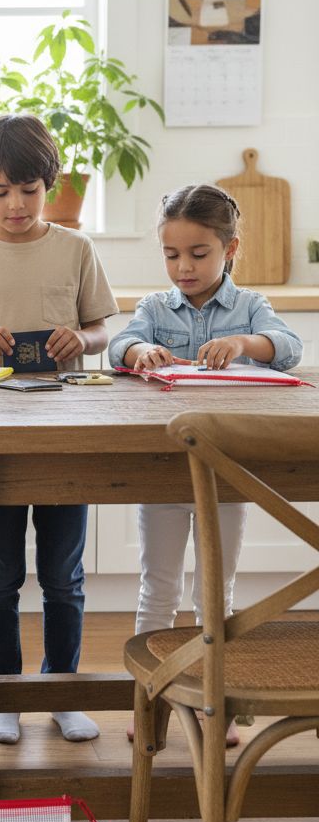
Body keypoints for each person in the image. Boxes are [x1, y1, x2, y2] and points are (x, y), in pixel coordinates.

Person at [0, 113, 118, 744]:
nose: (16, 204)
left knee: (64, 576)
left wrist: (81, 337)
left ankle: (61, 687)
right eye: (1, 192)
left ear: (50, 186)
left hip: (64, 430)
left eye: (29, 190)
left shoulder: (76, 248)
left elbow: (103, 329)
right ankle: (4, 691)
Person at [107, 183, 304, 744]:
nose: (183, 267)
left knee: (217, 590)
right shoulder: (153, 307)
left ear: (230, 249)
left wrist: (245, 344)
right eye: (172, 255)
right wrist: (138, 351)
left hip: (229, 472)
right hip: (165, 466)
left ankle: (219, 707)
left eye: (199, 254)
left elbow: (288, 347)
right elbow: (119, 345)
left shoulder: (250, 307)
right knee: (157, 587)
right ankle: (150, 705)